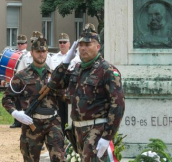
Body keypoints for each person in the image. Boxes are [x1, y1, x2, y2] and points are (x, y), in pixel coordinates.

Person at [49, 24, 125, 162]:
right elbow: (54, 84)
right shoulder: (77, 68)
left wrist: (107, 136)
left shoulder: (107, 71)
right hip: (78, 131)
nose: (83, 48)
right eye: (81, 45)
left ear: (97, 47)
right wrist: (66, 61)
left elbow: (118, 105)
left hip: (96, 131)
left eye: (87, 44)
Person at [2, 36, 64, 162]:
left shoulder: (54, 76)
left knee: (58, 158)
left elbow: (66, 97)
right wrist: (15, 113)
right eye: (38, 52)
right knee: (30, 158)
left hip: (53, 122)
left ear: (47, 52)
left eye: (43, 51)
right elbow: (7, 98)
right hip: (31, 123)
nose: (41, 55)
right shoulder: (21, 76)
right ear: (32, 53)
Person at [47, 33, 72, 129]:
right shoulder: (53, 58)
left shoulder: (76, 57)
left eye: (64, 42)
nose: (62, 44)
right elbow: (51, 74)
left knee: (69, 115)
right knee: (59, 115)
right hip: (58, 92)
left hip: (69, 90)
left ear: (69, 44)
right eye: (60, 42)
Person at [7, 34, 29, 129]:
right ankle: (16, 121)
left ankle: (25, 121)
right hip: (16, 82)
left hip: (25, 82)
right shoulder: (14, 55)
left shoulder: (28, 55)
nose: (20, 45)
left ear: (26, 44)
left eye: (22, 43)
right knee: (16, 101)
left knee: (24, 102)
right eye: (18, 43)